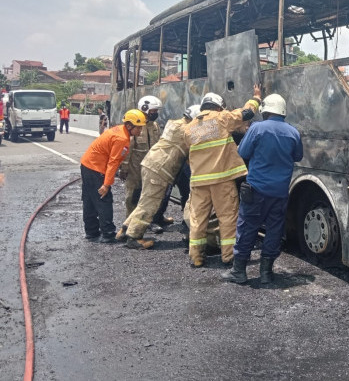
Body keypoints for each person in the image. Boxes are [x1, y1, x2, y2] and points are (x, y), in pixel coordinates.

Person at [222, 94, 303, 284]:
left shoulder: (257, 128)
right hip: (280, 192)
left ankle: (239, 271)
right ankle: (266, 273)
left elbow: (242, 152)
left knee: (247, 227)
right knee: (274, 230)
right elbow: (297, 156)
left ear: (265, 111)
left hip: (256, 190)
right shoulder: (293, 132)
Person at [184, 88, 261, 267]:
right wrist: (256, 97)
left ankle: (196, 256)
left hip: (199, 181)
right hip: (221, 180)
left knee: (197, 219)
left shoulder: (189, 128)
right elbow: (247, 112)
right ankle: (228, 256)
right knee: (227, 217)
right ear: (219, 107)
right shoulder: (221, 118)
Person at [116, 105, 201, 249]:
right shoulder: (186, 130)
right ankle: (134, 237)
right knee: (150, 204)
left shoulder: (174, 124)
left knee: (144, 201)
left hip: (152, 163)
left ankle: (125, 229)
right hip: (159, 169)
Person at [80, 109, 147, 242]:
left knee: (89, 199)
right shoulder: (122, 139)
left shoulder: (119, 130)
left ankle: (92, 231)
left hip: (87, 164)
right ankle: (108, 233)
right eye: (138, 128)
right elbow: (113, 162)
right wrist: (106, 184)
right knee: (104, 199)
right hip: (96, 167)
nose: (140, 131)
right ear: (129, 126)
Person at [120, 96, 162, 223]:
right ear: (145, 109)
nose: (155, 114)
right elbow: (128, 149)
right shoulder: (136, 127)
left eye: (156, 111)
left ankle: (148, 222)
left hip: (150, 168)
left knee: (149, 197)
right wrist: (124, 168)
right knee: (132, 197)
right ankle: (130, 223)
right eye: (153, 111)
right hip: (135, 170)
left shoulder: (154, 126)